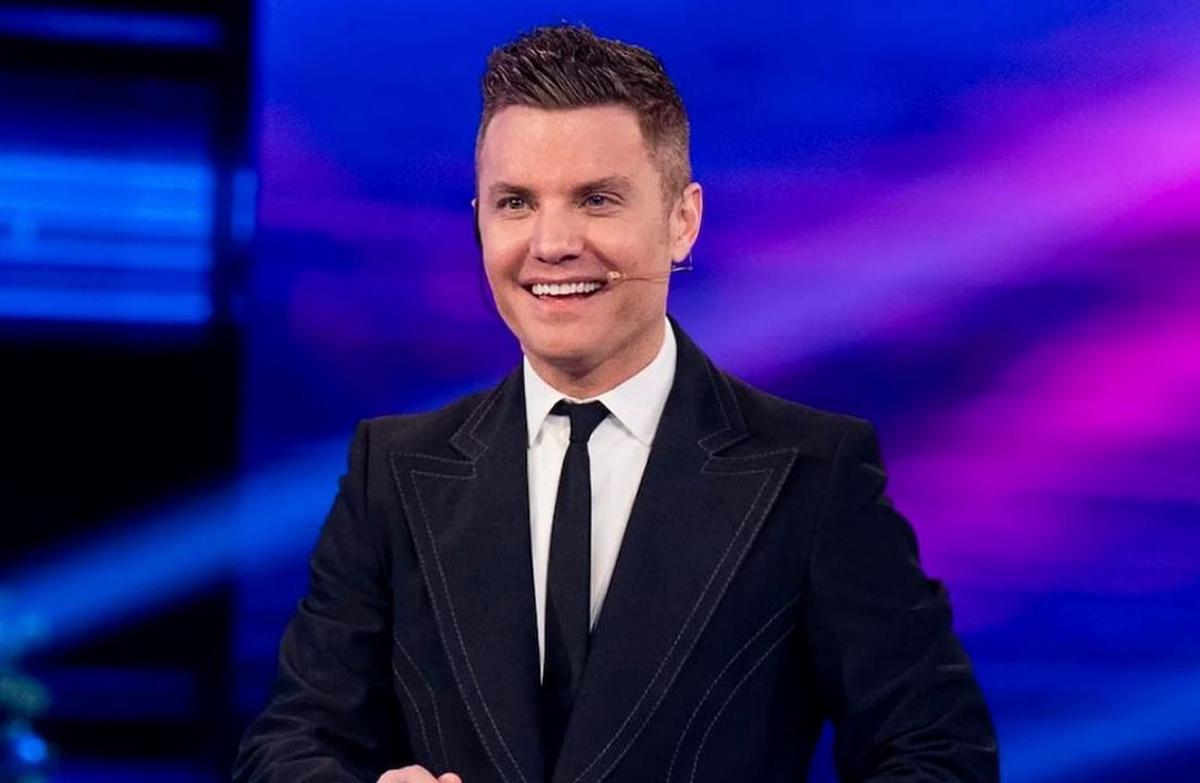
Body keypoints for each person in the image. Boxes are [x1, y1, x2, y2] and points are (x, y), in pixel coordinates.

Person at [233, 24, 999, 783]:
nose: (552, 243)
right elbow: (287, 746)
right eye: (515, 203)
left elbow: (940, 754)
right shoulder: (394, 473)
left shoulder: (813, 475)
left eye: (596, 199)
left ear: (681, 220)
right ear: (479, 221)